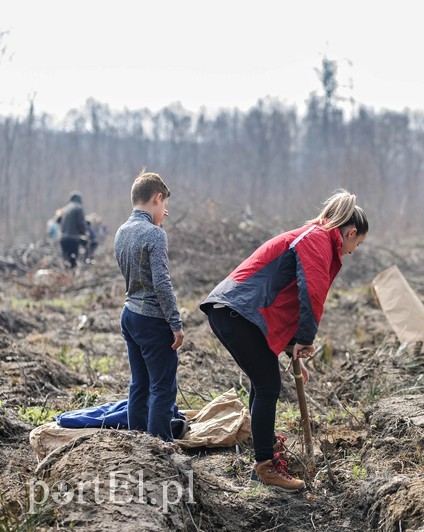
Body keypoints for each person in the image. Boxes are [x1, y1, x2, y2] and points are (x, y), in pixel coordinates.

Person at [201, 190, 368, 492]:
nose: (352, 251)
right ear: (350, 232)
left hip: (232, 311)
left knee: (262, 382)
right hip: (238, 311)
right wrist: (305, 339)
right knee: (268, 386)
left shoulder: (311, 236)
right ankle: (265, 467)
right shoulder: (317, 239)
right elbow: (311, 292)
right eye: (356, 244)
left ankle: (263, 451)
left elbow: (284, 297)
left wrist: (292, 349)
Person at [114, 170, 184, 442]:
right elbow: (162, 284)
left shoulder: (121, 231)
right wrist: (175, 324)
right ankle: (160, 451)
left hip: (129, 315)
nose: (165, 211)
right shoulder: (154, 235)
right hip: (153, 320)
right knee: (162, 388)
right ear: (157, 198)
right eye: (164, 204)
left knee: (139, 385)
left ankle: (138, 444)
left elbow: (136, 274)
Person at [57, 192, 86, 268]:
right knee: (73, 261)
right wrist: (84, 233)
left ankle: (65, 276)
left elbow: (59, 221)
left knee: (65, 259)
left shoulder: (65, 208)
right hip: (73, 238)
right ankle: (71, 277)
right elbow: (81, 223)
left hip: (63, 238)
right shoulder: (78, 208)